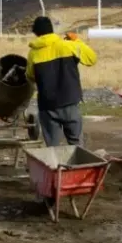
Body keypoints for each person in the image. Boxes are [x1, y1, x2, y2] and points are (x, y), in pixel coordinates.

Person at [25, 16, 97, 146]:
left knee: (53, 148)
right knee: (76, 146)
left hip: (47, 107)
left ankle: (55, 166)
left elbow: (30, 76)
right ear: (52, 30)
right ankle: (78, 166)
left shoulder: (33, 54)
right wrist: (77, 41)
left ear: (36, 33)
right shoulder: (69, 46)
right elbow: (91, 59)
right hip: (69, 102)